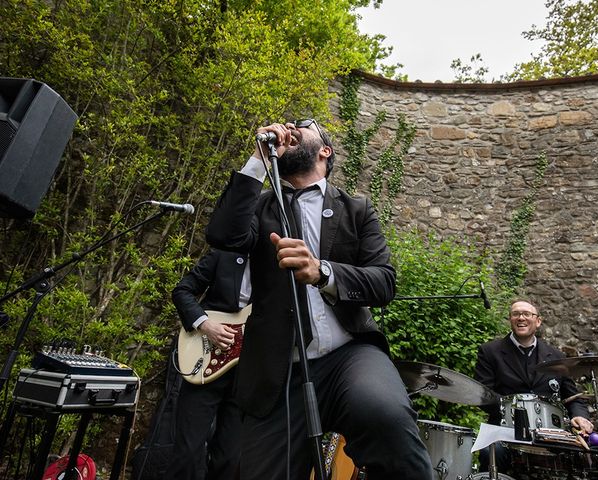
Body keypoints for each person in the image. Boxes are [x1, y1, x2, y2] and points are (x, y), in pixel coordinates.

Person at [205, 119, 432, 479]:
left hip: (349, 357)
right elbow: (222, 234)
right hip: (278, 369)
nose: (291, 127)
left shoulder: (356, 209)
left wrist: (322, 272)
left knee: (386, 417)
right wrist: (256, 160)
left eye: (304, 125)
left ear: (324, 150)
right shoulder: (260, 208)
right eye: (289, 124)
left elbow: (384, 282)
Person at [474, 299, 593, 473]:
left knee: (586, 458)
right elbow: (483, 394)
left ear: (538, 321)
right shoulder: (490, 352)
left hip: (551, 434)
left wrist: (580, 416)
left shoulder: (556, 356)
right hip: (505, 430)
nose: (521, 318)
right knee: (490, 452)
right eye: (516, 314)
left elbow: (573, 397)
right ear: (510, 320)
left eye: (527, 314)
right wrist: (518, 410)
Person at [164, 248, 250, 480]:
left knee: (231, 459)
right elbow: (182, 291)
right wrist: (205, 324)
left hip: (247, 372)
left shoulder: (281, 270)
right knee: (188, 452)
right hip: (206, 359)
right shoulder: (224, 254)